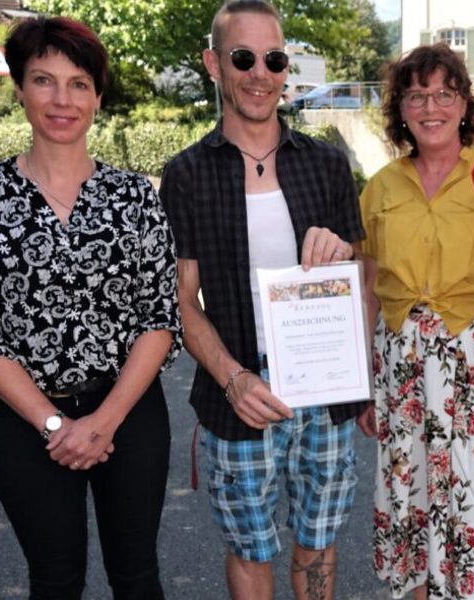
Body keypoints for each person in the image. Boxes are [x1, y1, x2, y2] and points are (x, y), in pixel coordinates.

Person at [0, 16, 181, 599]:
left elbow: (160, 317)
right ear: (19, 89)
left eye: (78, 83)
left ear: (97, 96)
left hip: (128, 413)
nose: (61, 99)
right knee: (54, 581)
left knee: (137, 576)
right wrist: (55, 424)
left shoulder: (133, 198)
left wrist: (102, 422)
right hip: (28, 423)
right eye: (44, 80)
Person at [158, 1, 368, 598]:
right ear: (213, 64)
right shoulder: (188, 174)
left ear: (286, 69)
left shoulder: (326, 164)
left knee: (318, 540)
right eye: (242, 57)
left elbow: (357, 279)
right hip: (240, 395)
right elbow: (182, 300)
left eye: (273, 59)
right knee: (251, 548)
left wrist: (342, 255)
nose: (259, 73)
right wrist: (232, 380)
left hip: (325, 392)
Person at [358, 43, 474, 599]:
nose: (430, 107)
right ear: (401, 109)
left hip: (471, 364)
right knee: (406, 494)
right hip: (398, 364)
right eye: (416, 96)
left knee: (464, 493)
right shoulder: (379, 188)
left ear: (463, 104)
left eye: (443, 94)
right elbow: (366, 289)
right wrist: (362, 383)